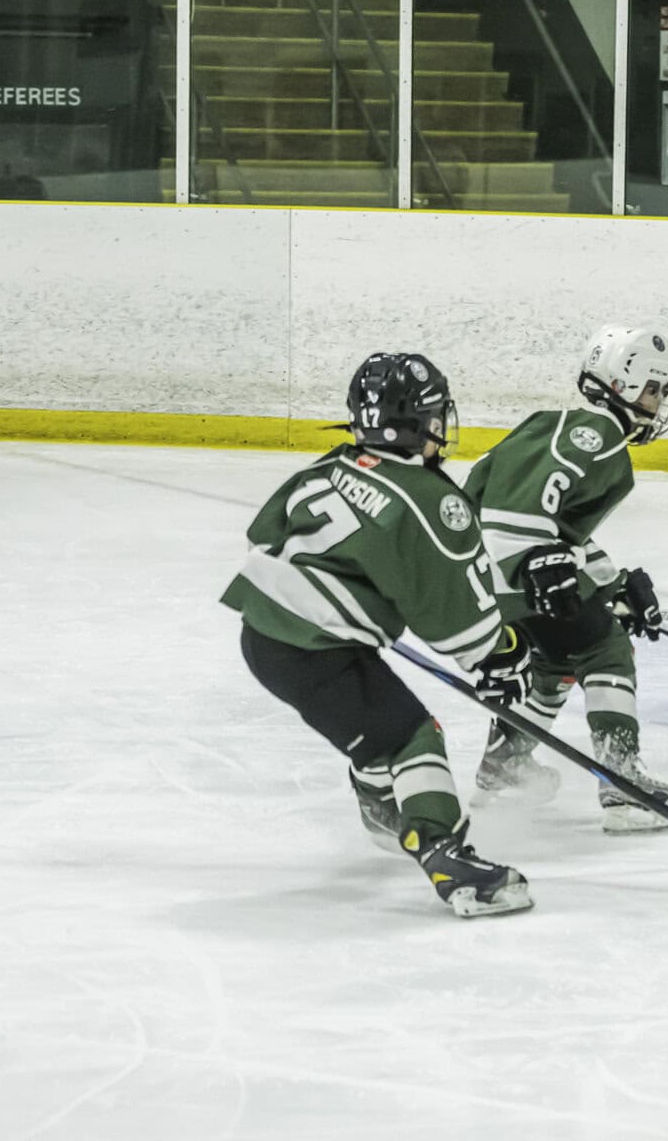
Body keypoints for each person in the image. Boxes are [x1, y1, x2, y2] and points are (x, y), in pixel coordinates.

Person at [221, 353, 533, 919]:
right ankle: (444, 854)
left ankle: (378, 800)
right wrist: (500, 652)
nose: (442, 425)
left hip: (263, 635)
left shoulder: (333, 465)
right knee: (413, 737)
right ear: (416, 421)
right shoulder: (430, 496)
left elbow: (264, 534)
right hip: (317, 650)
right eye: (435, 413)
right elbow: (455, 621)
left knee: (372, 721)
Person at [461, 325, 668, 832]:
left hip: (476, 567)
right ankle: (622, 786)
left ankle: (505, 763)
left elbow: (555, 531)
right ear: (624, 386)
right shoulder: (599, 438)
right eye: (653, 389)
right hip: (503, 564)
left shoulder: (550, 423)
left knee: (557, 653)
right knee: (603, 648)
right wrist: (538, 564)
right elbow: (521, 517)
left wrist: (612, 583)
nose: (657, 403)